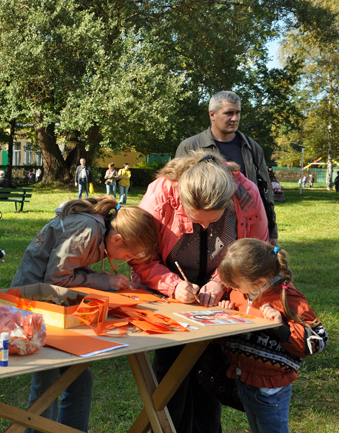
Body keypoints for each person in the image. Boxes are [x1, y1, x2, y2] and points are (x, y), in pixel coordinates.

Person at [131, 152, 269, 433]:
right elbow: (140, 255)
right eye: (196, 221)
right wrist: (173, 285)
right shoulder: (160, 194)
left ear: (228, 202)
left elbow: (256, 254)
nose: (204, 228)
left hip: (221, 299)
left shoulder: (247, 196)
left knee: (210, 373)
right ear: (180, 197)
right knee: (171, 375)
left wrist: (220, 281)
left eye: (213, 221)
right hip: (169, 294)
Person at [12, 196, 160, 433]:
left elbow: (73, 267)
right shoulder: (88, 230)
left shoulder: (99, 231)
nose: (125, 261)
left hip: (54, 306)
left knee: (79, 379)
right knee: (48, 383)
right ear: (117, 239)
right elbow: (56, 280)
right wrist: (104, 280)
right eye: (127, 256)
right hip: (32, 304)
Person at [217, 238, 328, 433]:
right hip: (245, 381)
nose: (233, 290)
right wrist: (228, 314)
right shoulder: (241, 294)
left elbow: (317, 340)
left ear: (258, 282)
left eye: (236, 285)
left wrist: (281, 327)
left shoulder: (286, 298)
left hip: (270, 390)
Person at [176, 90, 279, 246]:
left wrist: (272, 231)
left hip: (244, 228)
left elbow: (265, 192)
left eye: (238, 113)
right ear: (212, 114)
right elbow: (175, 192)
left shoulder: (252, 148)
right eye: (229, 113)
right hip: (203, 229)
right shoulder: (190, 147)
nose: (235, 118)